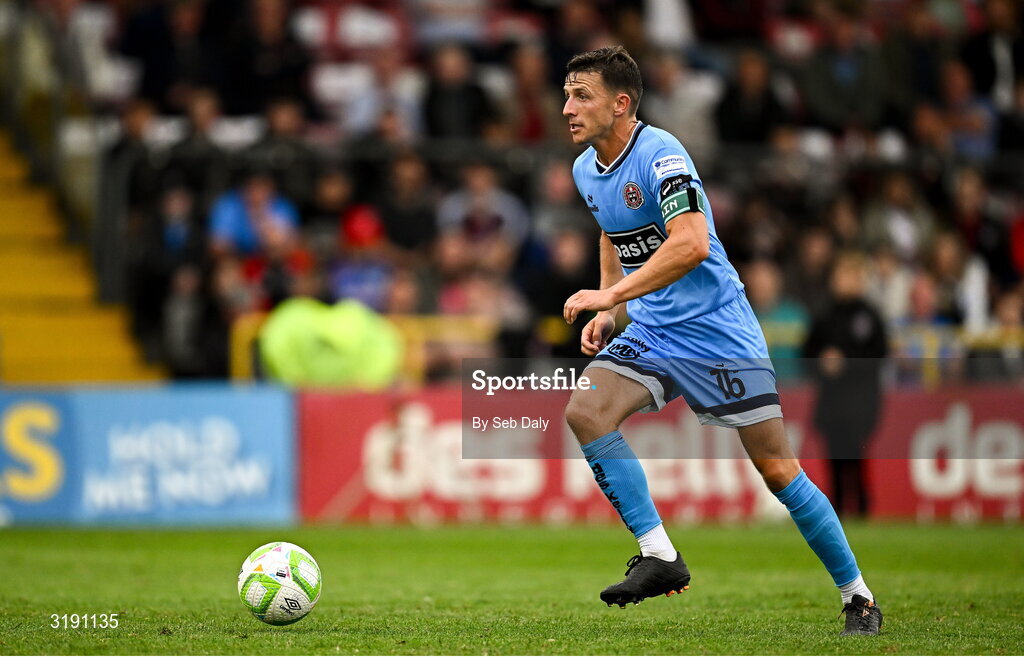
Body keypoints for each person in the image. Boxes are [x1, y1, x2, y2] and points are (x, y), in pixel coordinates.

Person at [559, 46, 882, 636]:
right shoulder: (587, 168)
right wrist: (613, 304)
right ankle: (659, 555)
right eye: (566, 93)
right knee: (586, 411)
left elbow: (692, 244)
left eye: (582, 95)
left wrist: (608, 298)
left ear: (621, 103)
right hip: (656, 329)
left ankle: (857, 596)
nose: (567, 107)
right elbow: (612, 231)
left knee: (778, 470)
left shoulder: (662, 155)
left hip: (717, 330)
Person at [802, 252, 889, 518]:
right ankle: (837, 510)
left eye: (851, 276)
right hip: (831, 402)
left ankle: (863, 507)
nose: (845, 282)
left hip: (861, 401)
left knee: (857, 456)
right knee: (834, 460)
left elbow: (880, 354)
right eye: (841, 276)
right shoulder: (823, 314)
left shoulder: (870, 316)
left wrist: (846, 363)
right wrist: (822, 362)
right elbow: (807, 352)